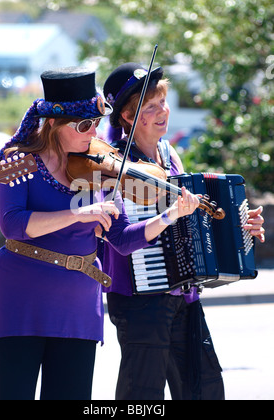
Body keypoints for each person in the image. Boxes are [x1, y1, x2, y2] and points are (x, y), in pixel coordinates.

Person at [0, 66, 199, 400]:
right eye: (83, 125)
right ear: (53, 124)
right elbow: (13, 224)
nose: (93, 132)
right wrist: (78, 214)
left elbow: (123, 240)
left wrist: (170, 215)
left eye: (95, 123)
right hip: (20, 299)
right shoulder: (20, 160)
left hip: (78, 304)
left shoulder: (98, 167)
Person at [100, 62, 266, 400]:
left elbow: (193, 225)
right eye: (151, 107)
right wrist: (169, 215)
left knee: (204, 388)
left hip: (184, 295)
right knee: (142, 397)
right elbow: (120, 240)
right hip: (138, 299)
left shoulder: (169, 154)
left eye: (163, 101)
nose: (163, 111)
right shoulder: (111, 165)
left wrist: (238, 227)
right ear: (129, 118)